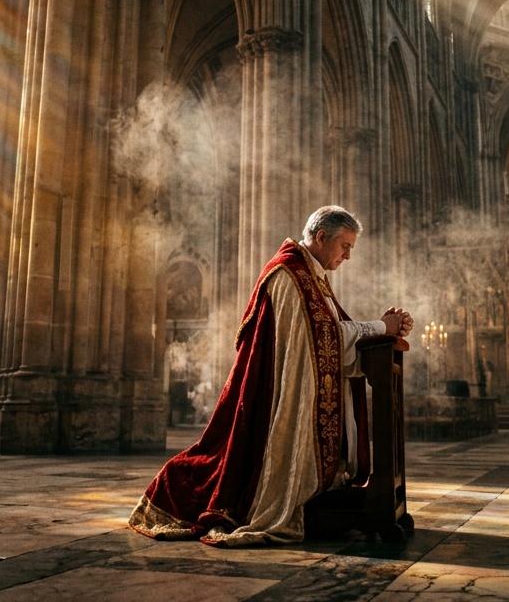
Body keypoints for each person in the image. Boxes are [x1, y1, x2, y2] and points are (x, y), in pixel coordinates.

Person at [128, 205, 413, 546]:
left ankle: (330, 494)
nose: (348, 255)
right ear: (321, 237)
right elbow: (323, 338)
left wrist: (382, 332)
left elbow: (327, 339)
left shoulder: (312, 276)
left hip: (297, 389)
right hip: (278, 400)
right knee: (209, 468)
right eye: (345, 245)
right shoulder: (289, 274)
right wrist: (382, 326)